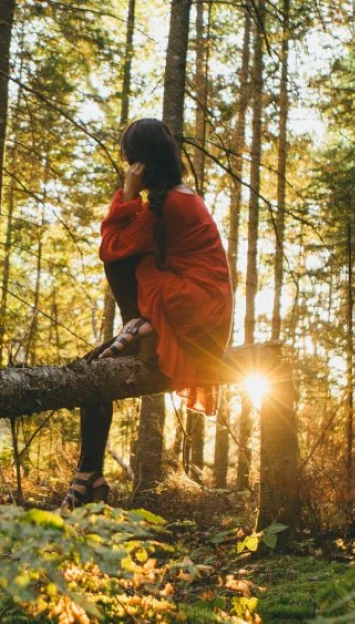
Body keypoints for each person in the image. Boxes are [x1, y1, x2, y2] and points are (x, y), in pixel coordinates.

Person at [61, 118, 233, 510]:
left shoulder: (170, 203)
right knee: (94, 369)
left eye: (131, 161)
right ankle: (89, 475)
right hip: (197, 308)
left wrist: (127, 192)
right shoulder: (177, 196)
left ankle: (138, 324)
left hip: (191, 308)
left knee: (120, 259)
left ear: (141, 162)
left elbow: (111, 246)